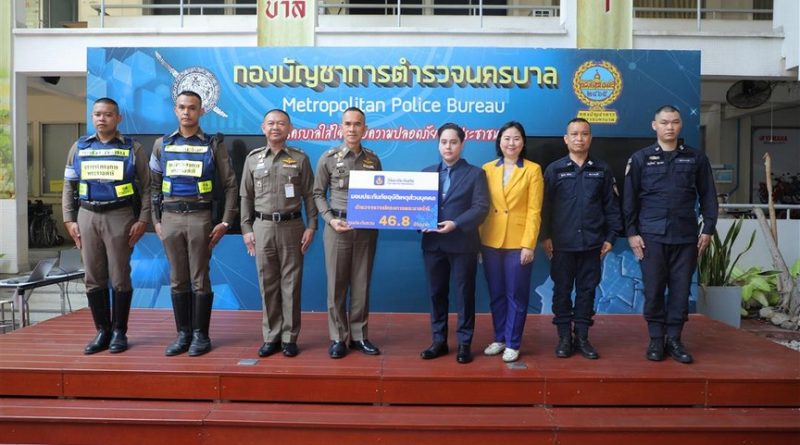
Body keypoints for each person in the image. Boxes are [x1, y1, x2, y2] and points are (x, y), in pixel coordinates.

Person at [623, 105, 718, 364]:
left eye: (674, 122)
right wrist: (631, 233)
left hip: (685, 236)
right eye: (664, 122)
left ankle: (675, 339)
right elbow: (629, 200)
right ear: (654, 125)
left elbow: (708, 195)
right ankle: (656, 338)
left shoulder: (695, 158)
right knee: (654, 289)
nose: (669, 127)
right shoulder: (640, 158)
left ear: (680, 125)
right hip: (651, 236)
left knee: (680, 289)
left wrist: (708, 229)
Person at [149, 90, 238, 357]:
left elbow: (231, 185)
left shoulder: (213, 144)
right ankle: (183, 334)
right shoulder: (161, 144)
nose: (186, 112)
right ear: (175, 110)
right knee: (177, 279)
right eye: (182, 107)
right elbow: (153, 187)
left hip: (200, 217)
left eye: (192, 108)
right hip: (170, 218)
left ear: (201, 111)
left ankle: (201, 335)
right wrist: (156, 221)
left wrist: (225, 221)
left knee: (200, 278)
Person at [62, 97, 151, 354]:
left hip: (120, 215)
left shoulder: (133, 148)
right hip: (87, 215)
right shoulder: (79, 147)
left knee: (120, 276)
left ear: (118, 118)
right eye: (98, 114)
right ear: (92, 117)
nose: (102, 118)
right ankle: (102, 331)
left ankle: (120, 332)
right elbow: (68, 185)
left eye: (108, 114)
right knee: (93, 276)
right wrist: (69, 218)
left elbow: (148, 188)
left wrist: (143, 219)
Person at [541, 118, 622, 360]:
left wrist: (611, 236)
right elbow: (544, 208)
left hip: (592, 244)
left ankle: (583, 337)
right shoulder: (554, 170)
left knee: (587, 292)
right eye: (574, 134)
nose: (579, 138)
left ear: (590, 138)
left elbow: (611, 206)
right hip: (562, 244)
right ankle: (565, 337)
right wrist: (545, 237)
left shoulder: (602, 169)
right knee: (562, 291)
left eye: (584, 134)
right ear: (566, 139)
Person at [240, 109, 318, 358]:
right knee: (267, 283)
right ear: (263, 128)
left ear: (290, 129)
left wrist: (312, 225)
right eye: (271, 123)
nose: (275, 127)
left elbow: (310, 195)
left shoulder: (299, 159)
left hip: (292, 227)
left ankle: (289, 337)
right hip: (262, 227)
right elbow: (245, 196)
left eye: (281, 123)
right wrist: (246, 228)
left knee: (291, 284)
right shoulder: (253, 159)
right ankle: (271, 336)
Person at [313, 107, 382, 359]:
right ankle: (338, 337)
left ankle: (359, 336)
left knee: (361, 284)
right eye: (348, 124)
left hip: (365, 230)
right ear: (341, 127)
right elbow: (317, 193)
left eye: (357, 124)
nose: (352, 128)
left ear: (365, 129)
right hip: (337, 228)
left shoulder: (373, 160)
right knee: (336, 285)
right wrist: (330, 220)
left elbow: (381, 194)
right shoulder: (328, 158)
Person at [420, 123, 489, 364]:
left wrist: (456, 224)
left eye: (453, 142)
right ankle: (438, 341)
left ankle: (464, 343)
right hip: (433, 245)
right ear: (438, 145)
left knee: (464, 295)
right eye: (443, 142)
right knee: (436, 294)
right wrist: (417, 221)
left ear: (462, 144)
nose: (448, 147)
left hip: (462, 244)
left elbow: (481, 207)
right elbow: (415, 207)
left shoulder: (475, 174)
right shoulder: (426, 173)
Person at [479, 121, 543, 363]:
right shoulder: (487, 169)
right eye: (506, 138)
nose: (511, 143)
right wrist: (478, 243)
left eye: (516, 138)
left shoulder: (533, 170)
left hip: (518, 242)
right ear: (499, 142)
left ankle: (513, 342)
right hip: (490, 240)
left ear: (523, 142)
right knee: (496, 293)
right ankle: (499, 338)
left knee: (516, 294)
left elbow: (534, 211)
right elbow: (481, 207)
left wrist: (529, 244)